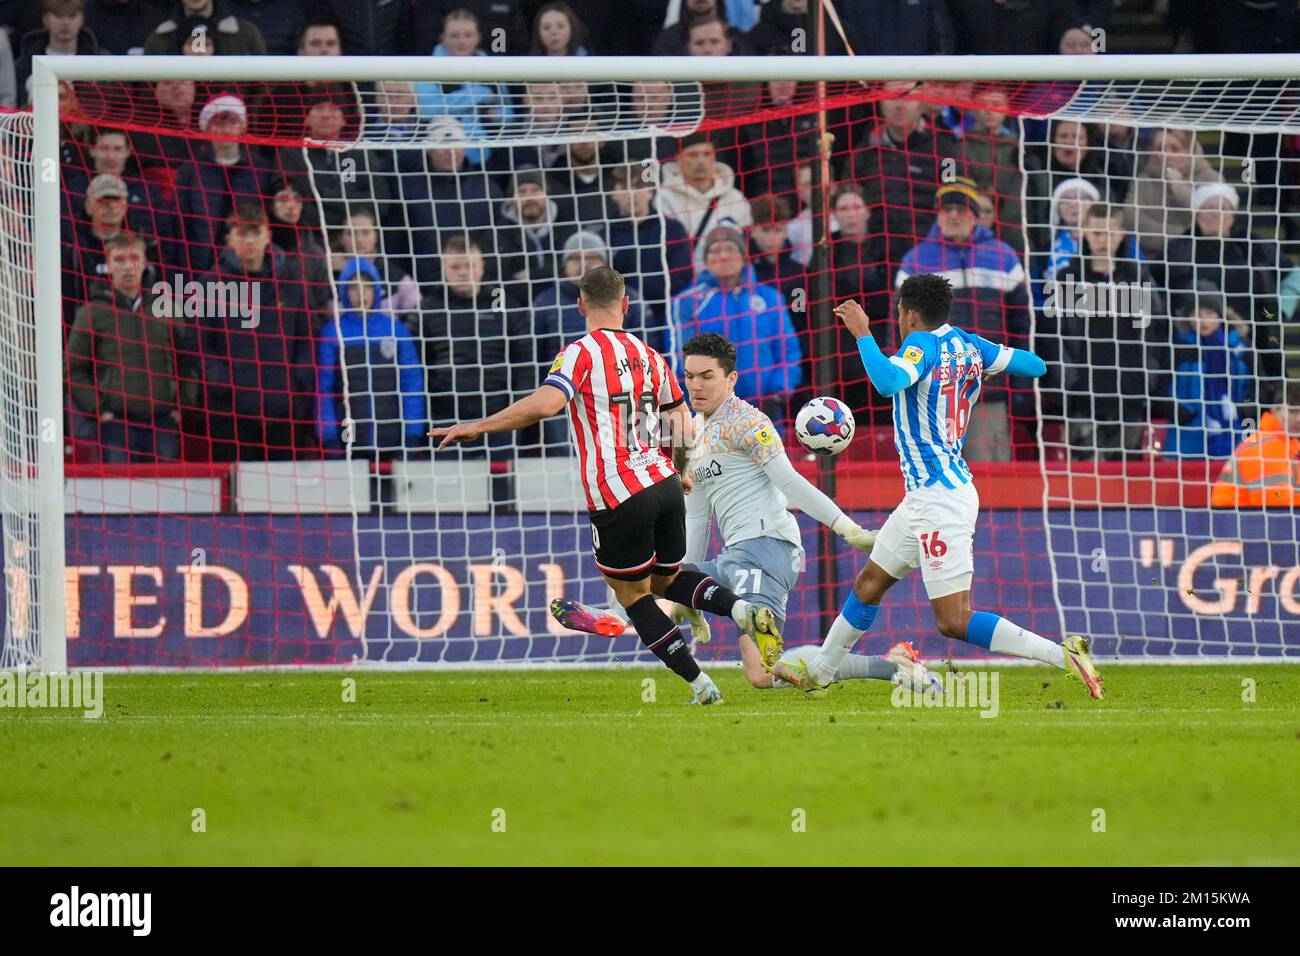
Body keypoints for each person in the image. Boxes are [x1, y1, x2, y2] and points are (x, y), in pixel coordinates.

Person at [432, 266, 786, 706]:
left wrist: (478, 427)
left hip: (617, 490)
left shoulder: (579, 354)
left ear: (581, 306)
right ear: (626, 304)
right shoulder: (650, 355)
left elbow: (546, 405)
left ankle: (702, 686)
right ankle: (741, 608)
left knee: (632, 594)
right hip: (663, 482)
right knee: (666, 580)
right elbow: (682, 425)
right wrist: (678, 469)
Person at [782, 274, 1106, 699]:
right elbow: (1035, 365)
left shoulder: (922, 345)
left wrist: (862, 334)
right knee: (869, 584)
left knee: (953, 619)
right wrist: (977, 373)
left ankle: (1064, 654)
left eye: (898, 312)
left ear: (910, 314)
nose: (897, 319)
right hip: (924, 496)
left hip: (941, 498)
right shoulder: (970, 345)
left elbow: (886, 382)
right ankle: (821, 675)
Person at [676, 332, 940, 693]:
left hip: (765, 549)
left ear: (731, 379)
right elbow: (696, 517)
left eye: (707, 376)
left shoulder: (747, 422)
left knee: (760, 675)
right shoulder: (695, 434)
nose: (696, 385)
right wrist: (688, 586)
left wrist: (847, 528)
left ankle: (892, 666)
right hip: (733, 558)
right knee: (662, 578)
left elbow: (791, 482)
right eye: (690, 376)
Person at [66, 232, 195, 463]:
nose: (128, 266)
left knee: (164, 491)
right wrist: (98, 410)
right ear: (108, 265)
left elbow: (187, 361)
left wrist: (182, 405)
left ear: (145, 262)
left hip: (163, 421)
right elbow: (73, 369)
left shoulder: (166, 308)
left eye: (134, 258)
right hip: (116, 424)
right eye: (119, 259)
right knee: (119, 492)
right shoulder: (92, 313)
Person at [672, 225, 802, 425]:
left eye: (730, 249)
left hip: (763, 411)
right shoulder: (687, 302)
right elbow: (683, 360)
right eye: (715, 250)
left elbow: (788, 351)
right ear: (706, 260)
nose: (723, 255)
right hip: (711, 414)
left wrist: (778, 392)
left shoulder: (770, 298)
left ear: (743, 256)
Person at [317, 256, 426, 459]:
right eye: (353, 287)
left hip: (393, 436)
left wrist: (413, 429)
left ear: (376, 289)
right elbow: (324, 386)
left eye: (366, 287)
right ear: (343, 291)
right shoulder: (333, 332)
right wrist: (328, 433)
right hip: (347, 435)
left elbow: (411, 381)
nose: (361, 294)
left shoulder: (395, 329)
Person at [1210, 380, 1300, 507]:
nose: (1298, 419)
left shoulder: (1288, 444)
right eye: (1292, 411)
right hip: (1238, 524)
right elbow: (1277, 505)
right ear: (1275, 410)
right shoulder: (1267, 448)